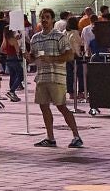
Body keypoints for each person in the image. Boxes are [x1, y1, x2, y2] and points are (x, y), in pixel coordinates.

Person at [26, 10, 84, 149]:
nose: (44, 20)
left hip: (56, 77)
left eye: (47, 17)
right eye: (42, 17)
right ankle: (50, 137)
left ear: (52, 20)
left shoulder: (59, 36)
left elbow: (69, 55)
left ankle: (76, 136)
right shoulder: (35, 38)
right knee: (44, 106)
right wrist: (28, 56)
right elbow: (35, 57)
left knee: (61, 106)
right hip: (41, 77)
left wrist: (52, 59)